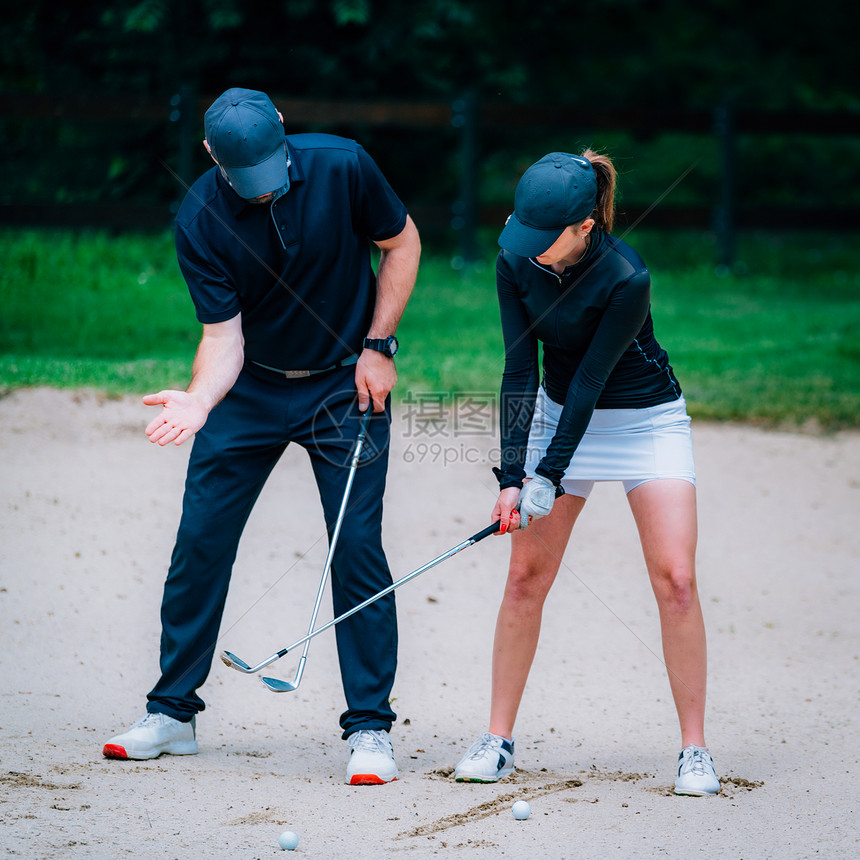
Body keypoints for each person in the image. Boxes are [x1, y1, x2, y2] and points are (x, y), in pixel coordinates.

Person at [102, 88, 421, 786]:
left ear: (284, 128)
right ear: (212, 155)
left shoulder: (343, 166)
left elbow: (401, 242)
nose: (263, 186)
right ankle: (172, 714)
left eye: (271, 167)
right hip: (250, 391)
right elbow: (224, 340)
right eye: (245, 176)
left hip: (344, 382)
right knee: (200, 541)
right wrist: (199, 399)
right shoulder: (202, 217)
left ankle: (369, 728)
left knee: (356, 547)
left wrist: (380, 344)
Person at [453, 151, 720, 797]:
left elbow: (593, 384)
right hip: (554, 414)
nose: (533, 251)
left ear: (585, 226)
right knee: (525, 576)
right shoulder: (515, 261)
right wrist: (513, 477)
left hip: (643, 423)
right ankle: (498, 738)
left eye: (548, 240)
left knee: (676, 580)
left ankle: (694, 750)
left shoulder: (627, 276)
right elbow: (521, 371)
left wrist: (551, 472)